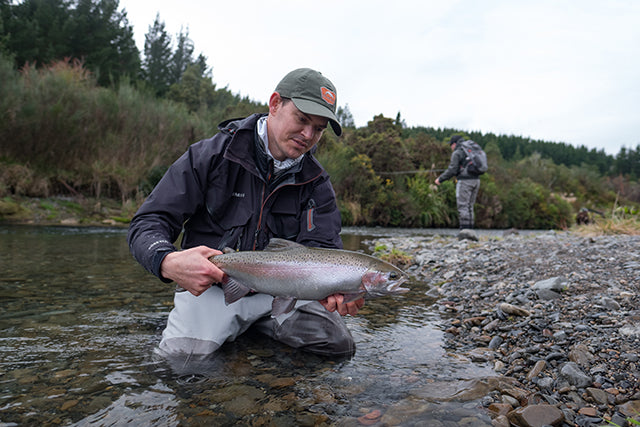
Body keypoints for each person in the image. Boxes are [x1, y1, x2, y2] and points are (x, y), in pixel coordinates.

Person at [127, 68, 364, 363]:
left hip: (283, 295)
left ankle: (247, 335)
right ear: (275, 104)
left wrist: (334, 289)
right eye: (302, 119)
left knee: (338, 345)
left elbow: (325, 252)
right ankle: (230, 332)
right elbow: (147, 223)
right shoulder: (211, 155)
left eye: (318, 129)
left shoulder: (317, 183)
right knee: (177, 365)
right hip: (214, 290)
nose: (308, 135)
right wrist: (165, 261)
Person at [434, 135, 481, 230]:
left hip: (465, 181)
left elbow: (452, 170)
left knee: (463, 206)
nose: (451, 147)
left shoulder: (457, 152)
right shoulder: (469, 150)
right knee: (469, 206)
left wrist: (440, 179)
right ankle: (470, 230)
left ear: (454, 144)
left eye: (450, 145)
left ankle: (464, 231)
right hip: (476, 180)